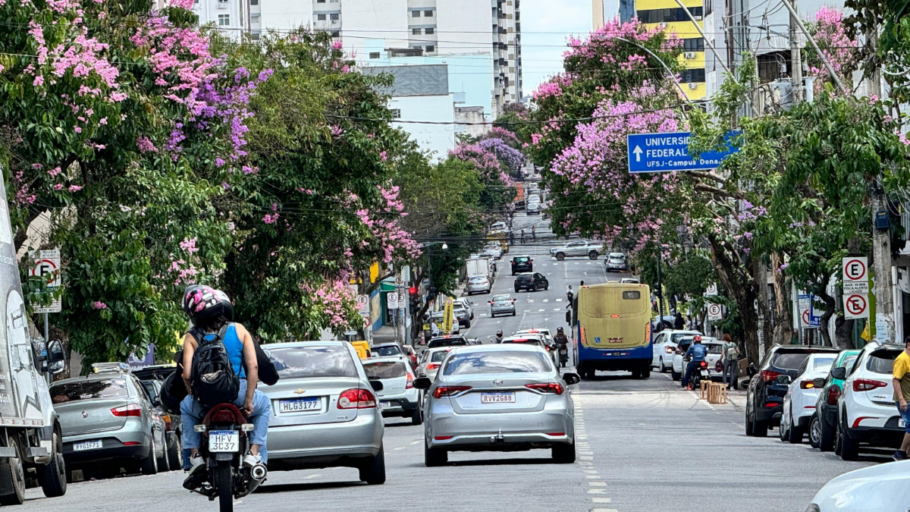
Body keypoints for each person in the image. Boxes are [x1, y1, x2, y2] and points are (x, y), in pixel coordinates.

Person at [180, 286, 271, 489]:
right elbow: (253, 366)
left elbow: (186, 374)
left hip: (205, 400)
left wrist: (191, 392)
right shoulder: (239, 330)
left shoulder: (191, 337)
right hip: (237, 394)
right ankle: (254, 454)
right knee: (264, 405)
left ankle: (195, 457)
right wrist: (248, 401)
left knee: (185, 407)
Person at [891, 336, 910, 461]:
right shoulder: (902, 360)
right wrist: (901, 399)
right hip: (906, 400)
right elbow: (895, 380)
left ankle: (907, 454)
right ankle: (901, 452)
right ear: (909, 345)